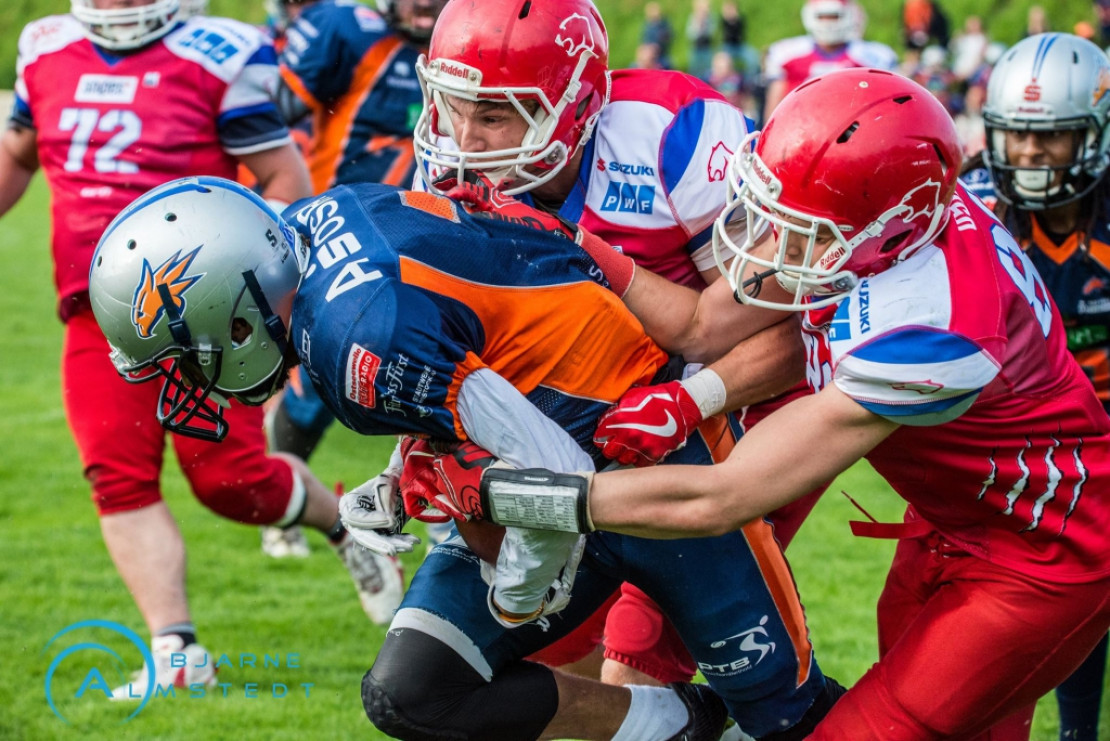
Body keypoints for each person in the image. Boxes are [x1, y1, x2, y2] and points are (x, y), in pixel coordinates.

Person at [408, 67, 1110, 741]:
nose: (772, 240)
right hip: (956, 511)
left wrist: (516, 495)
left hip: (1042, 553)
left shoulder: (934, 323)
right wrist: (586, 253)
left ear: (885, 233)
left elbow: (724, 497)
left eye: (802, 226)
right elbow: (703, 326)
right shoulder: (890, 217)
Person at [88, 173, 844, 739]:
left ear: (234, 304)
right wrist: (401, 477)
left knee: (795, 718)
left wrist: (517, 589)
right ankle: (677, 723)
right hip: (545, 447)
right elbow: (458, 359)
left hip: (652, 457)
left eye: (185, 355)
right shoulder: (316, 237)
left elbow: (560, 480)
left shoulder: (355, 327)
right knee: (413, 689)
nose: (189, 378)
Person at [0, 0, 403, 694]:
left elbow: (285, 181)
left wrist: (264, 303)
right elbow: (15, 155)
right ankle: (176, 654)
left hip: (205, 318)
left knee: (231, 482)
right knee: (115, 475)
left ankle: (341, 521)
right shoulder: (44, 47)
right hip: (93, 310)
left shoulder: (220, 53)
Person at [411, 0, 814, 691]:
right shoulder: (448, 170)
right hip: (595, 424)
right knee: (510, 655)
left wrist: (689, 399)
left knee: (639, 658)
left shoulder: (672, 136)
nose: (463, 141)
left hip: (740, 408)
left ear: (574, 109)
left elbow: (793, 335)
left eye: (494, 115)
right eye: (452, 106)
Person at [257, 0, 450, 558]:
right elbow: (267, 114)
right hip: (335, 239)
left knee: (427, 369)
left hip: (423, 241)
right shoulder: (346, 27)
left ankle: (443, 513)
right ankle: (284, 507)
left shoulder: (462, 45)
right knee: (314, 385)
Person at [965, 31, 1110, 741]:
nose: (1027, 155)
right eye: (1017, 136)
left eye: (1051, 138)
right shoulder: (974, 207)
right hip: (1014, 440)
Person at [761, 0, 897, 121]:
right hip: (799, 127)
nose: (828, 23)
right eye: (823, 16)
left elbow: (887, 102)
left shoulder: (870, 56)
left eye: (834, 16)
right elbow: (774, 106)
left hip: (852, 126)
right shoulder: (787, 54)